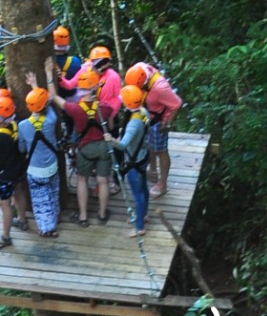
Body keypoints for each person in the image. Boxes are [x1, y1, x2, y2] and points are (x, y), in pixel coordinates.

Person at [52, 65, 114, 226]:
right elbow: (112, 127)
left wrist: (48, 75)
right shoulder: (104, 108)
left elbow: (53, 97)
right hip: (103, 147)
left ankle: (83, 216)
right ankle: (101, 214)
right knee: (103, 181)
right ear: (95, 87)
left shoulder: (75, 109)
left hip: (85, 148)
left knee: (82, 180)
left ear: (80, 87)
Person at [124, 62, 183, 200]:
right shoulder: (138, 68)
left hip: (159, 121)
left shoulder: (160, 88)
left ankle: (162, 184)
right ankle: (152, 170)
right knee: (150, 146)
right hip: (147, 117)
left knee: (161, 151)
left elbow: (177, 103)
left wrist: (167, 123)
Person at [0, 89, 29, 250]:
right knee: (18, 191)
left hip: (4, 175)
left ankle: (5, 237)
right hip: (17, 169)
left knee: (5, 205)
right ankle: (22, 220)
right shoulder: (15, 126)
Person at [17, 85, 63, 237]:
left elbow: (22, 148)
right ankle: (55, 218)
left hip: (35, 170)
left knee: (41, 201)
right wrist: (36, 87)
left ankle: (46, 228)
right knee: (53, 193)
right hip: (52, 166)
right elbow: (48, 104)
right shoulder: (51, 120)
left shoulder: (23, 126)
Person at [113, 83, 152, 236]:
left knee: (138, 193)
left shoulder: (133, 124)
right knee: (144, 188)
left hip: (134, 161)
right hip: (143, 156)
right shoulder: (143, 112)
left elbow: (122, 145)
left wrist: (111, 140)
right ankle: (144, 214)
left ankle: (139, 227)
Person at [86, 45, 123, 125]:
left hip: (108, 116)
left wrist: (109, 116)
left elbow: (118, 98)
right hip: (95, 114)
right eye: (96, 65)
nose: (96, 69)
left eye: (103, 63)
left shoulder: (113, 77)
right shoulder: (93, 74)